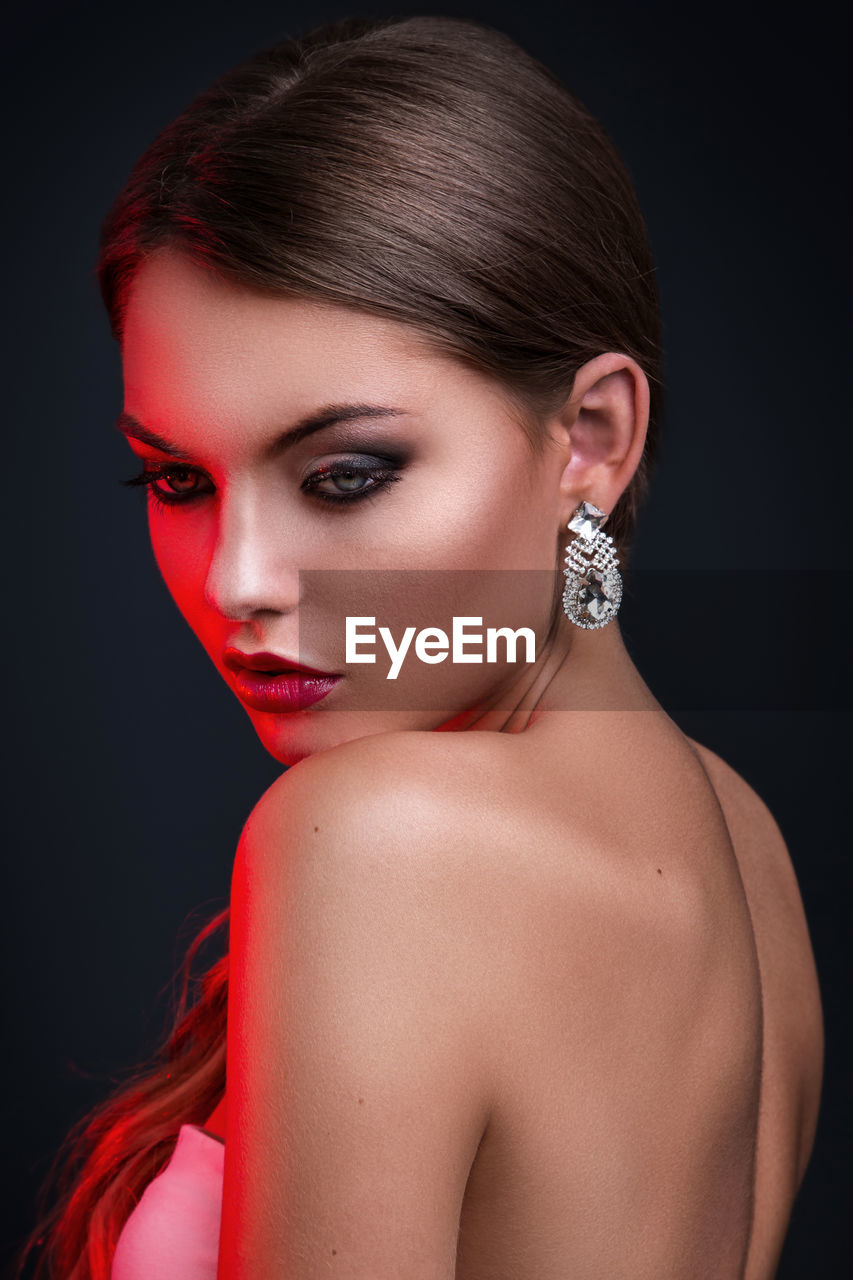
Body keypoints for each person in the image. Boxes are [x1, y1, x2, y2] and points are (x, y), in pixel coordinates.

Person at [20, 13, 823, 1279]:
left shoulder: (374, 835)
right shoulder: (747, 844)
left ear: (592, 438)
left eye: (343, 474)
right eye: (176, 482)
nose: (241, 580)